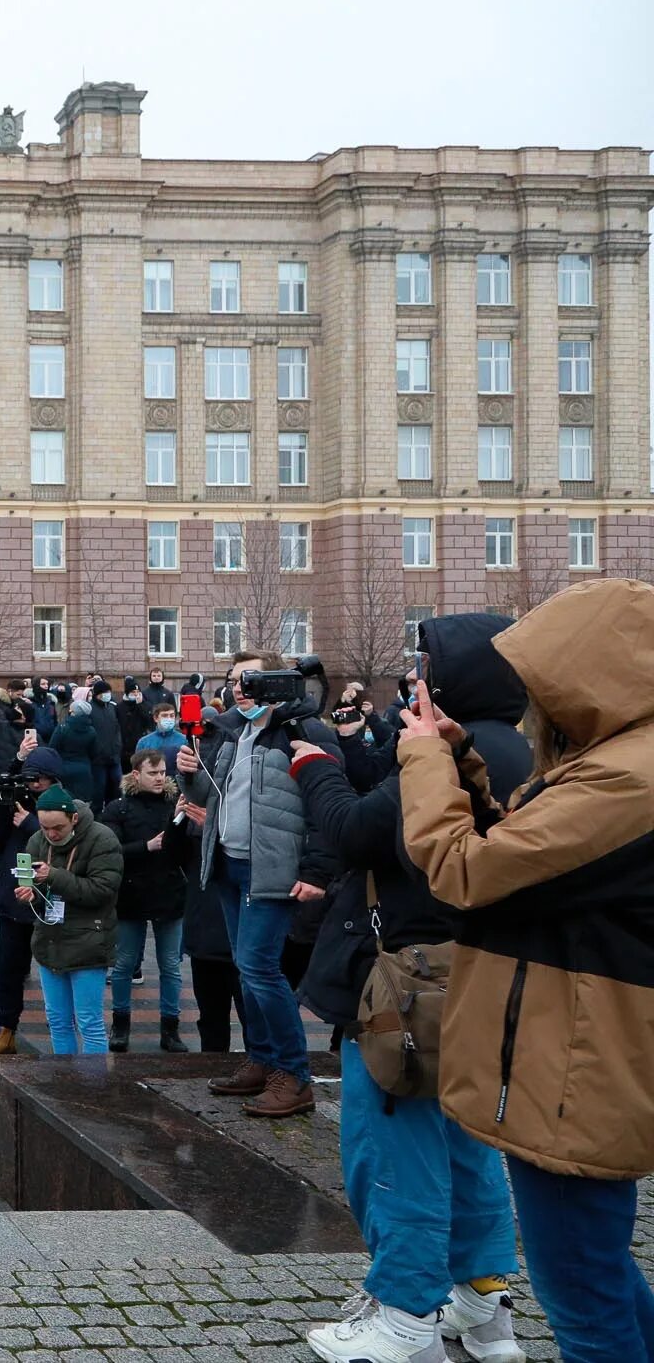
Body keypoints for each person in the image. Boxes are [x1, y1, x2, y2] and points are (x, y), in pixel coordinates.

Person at [391, 580, 654, 1362]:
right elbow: (536, 859)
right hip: (578, 1056)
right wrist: (463, 760)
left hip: (578, 1068)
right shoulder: (622, 761)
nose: (531, 703)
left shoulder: (626, 779)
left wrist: (422, 758)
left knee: (582, 1288)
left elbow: (465, 873)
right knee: (599, 1269)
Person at [284, 618, 529, 1363]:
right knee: (465, 1145)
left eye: (426, 664)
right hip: (475, 969)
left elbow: (358, 828)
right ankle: (485, 1307)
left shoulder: (450, 753)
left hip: (409, 980)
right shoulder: (510, 747)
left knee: (392, 1146)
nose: (416, 677)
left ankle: (403, 1312)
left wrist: (317, 764)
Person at [176, 650, 337, 1119]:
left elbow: (328, 803)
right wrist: (189, 776)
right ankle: (264, 1060)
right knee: (247, 972)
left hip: (271, 869)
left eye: (248, 679)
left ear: (276, 681)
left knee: (261, 970)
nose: (238, 688)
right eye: (232, 680)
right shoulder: (233, 731)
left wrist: (315, 870)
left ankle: (293, 1073)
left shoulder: (301, 731)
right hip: (230, 864)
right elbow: (211, 795)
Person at [0, 744, 68, 1055]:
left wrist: (30, 823)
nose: (34, 785)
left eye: (40, 779)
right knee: (8, 967)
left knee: (58, 969)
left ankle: (64, 1037)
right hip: (16, 898)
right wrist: (2, 811)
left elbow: (65, 848)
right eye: (31, 778)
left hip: (50, 900)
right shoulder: (15, 801)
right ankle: (5, 1030)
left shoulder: (67, 805)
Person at [15, 788, 124, 1054]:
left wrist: (53, 876)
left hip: (89, 941)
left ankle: (92, 1089)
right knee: (57, 1021)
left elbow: (102, 891)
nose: (51, 834)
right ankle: (63, 1087)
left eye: (58, 828)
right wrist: (29, 895)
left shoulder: (102, 839)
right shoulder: (37, 840)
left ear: (74, 819)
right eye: (45, 827)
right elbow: (38, 896)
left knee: (90, 1023)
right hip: (50, 942)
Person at [97, 750, 188, 1052]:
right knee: (123, 965)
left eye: (163, 772)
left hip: (169, 892)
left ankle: (170, 1028)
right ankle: (120, 1024)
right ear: (136, 774)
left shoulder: (175, 805)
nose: (160, 778)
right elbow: (110, 850)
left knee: (171, 966)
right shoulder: (119, 808)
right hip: (131, 894)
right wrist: (145, 846)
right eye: (153, 773)